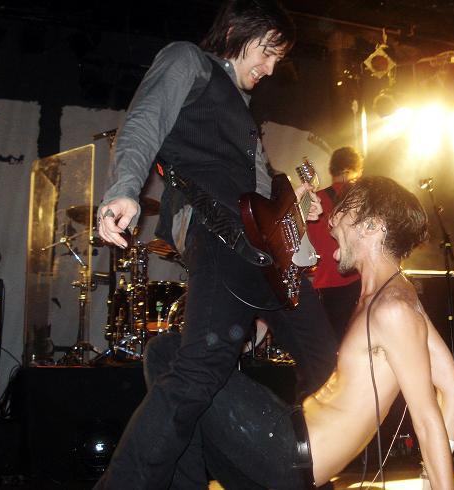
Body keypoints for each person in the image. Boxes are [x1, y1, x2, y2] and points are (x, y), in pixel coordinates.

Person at [94, 1, 337, 488]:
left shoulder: (240, 110)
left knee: (328, 364)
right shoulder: (187, 60)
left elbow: (258, 195)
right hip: (221, 237)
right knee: (200, 371)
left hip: (267, 255)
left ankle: (299, 474)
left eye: (277, 59)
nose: (270, 68)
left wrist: (295, 208)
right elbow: (144, 121)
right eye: (266, 51)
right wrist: (124, 189)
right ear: (234, 32)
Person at [145, 176, 454, 489]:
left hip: (287, 453)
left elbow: (426, 420)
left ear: (372, 226)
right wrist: (427, 477)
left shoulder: (393, 309)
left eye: (344, 211)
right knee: (192, 403)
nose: (331, 221)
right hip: (290, 441)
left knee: (166, 353)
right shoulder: (397, 296)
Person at [308, 146, 364, 343]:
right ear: (351, 170)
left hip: (326, 282)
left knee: (331, 342)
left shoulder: (315, 200)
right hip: (355, 278)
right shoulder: (359, 198)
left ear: (333, 170)